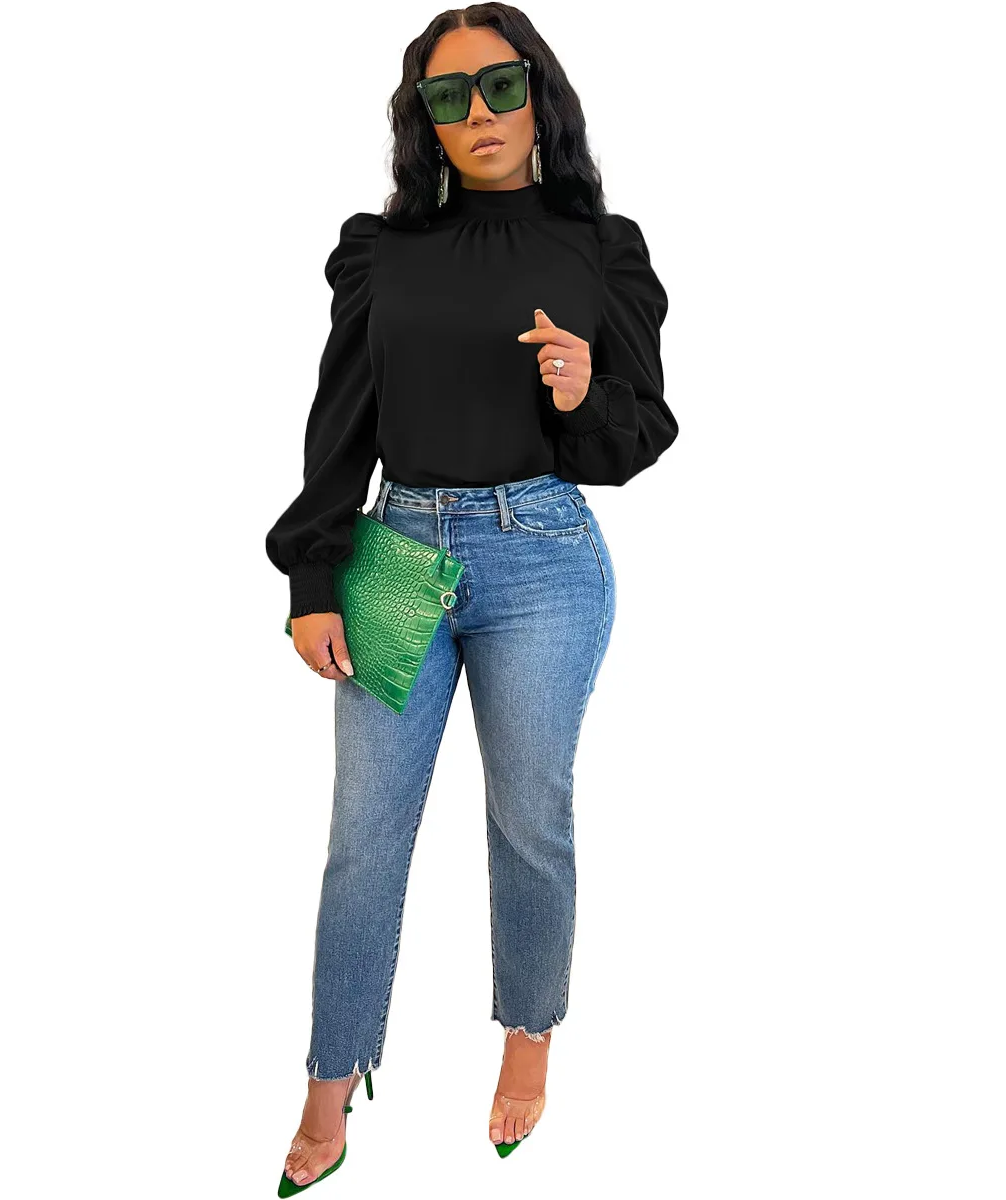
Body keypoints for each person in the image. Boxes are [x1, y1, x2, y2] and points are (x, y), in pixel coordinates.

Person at [266, 6, 677, 1188]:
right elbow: (340, 425)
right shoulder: (379, 253)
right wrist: (314, 576)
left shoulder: (601, 248)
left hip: (541, 555)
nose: (480, 113)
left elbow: (636, 436)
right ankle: (332, 1077)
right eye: (448, 97)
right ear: (425, 123)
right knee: (362, 836)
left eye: (500, 85)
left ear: (539, 94)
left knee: (528, 815)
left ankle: (527, 1033)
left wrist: (583, 387)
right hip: (397, 557)